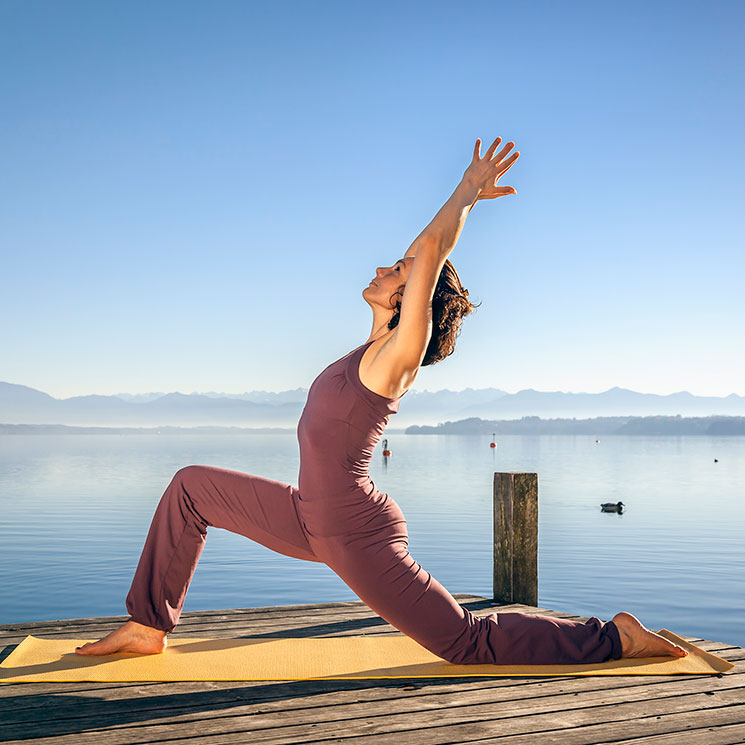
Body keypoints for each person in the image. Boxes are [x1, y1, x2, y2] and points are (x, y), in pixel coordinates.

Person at [76, 135, 688, 663]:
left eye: (399, 270)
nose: (386, 267)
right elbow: (421, 259)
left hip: (352, 531)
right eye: (398, 265)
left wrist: (466, 193)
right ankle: (146, 626)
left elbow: (430, 252)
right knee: (191, 487)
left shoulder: (397, 358)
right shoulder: (363, 352)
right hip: (307, 514)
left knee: (465, 642)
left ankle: (613, 638)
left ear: (412, 300)